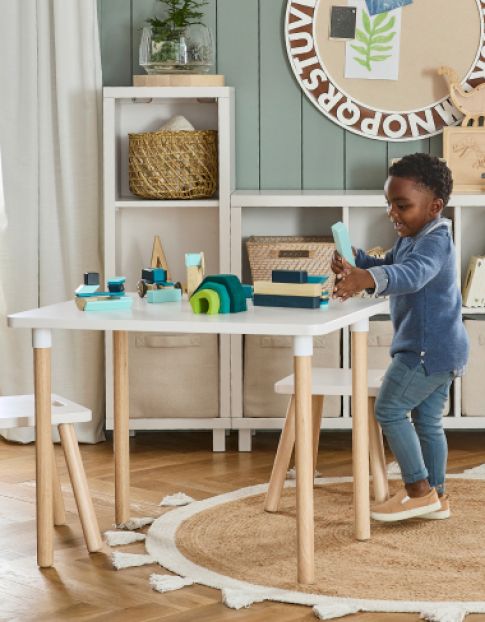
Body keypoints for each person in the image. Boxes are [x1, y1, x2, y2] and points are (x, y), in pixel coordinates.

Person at [331, 153, 469, 522]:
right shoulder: (412, 236)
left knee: (389, 410)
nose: (393, 213)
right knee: (427, 422)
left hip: (426, 350)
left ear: (434, 206)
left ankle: (417, 491)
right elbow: (391, 264)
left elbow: (413, 274)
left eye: (402, 205)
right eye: (390, 204)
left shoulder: (436, 241)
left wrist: (369, 281)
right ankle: (437, 495)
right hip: (443, 348)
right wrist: (358, 262)